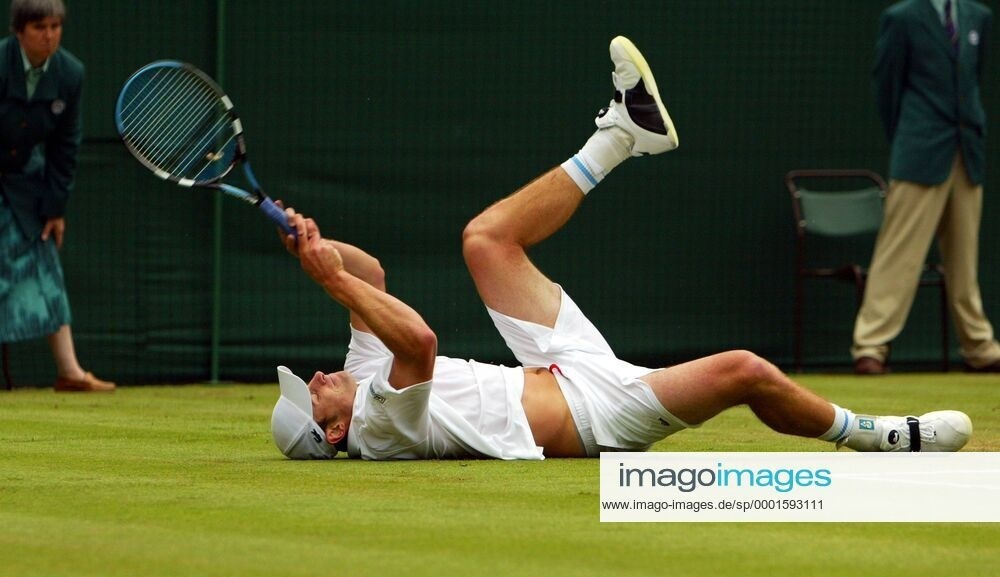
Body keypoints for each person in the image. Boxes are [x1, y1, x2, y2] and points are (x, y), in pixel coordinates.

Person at [271, 36, 972, 460]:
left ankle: (623, 134)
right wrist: (333, 282)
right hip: (594, 415)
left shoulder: (359, 377)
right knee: (745, 371)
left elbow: (370, 275)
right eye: (312, 395)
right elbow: (419, 341)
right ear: (332, 433)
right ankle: (876, 434)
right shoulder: (379, 428)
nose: (317, 378)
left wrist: (314, 247)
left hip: (554, 361)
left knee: (485, 240)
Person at [852, 0, 1000, 375]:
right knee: (899, 252)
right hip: (920, 150)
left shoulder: (978, 16)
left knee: (964, 255)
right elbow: (886, 85)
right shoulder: (901, 18)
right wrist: (910, 135)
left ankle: (979, 346)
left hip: (967, 149)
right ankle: (870, 346)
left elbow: (971, 79)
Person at [0, 0, 114, 391]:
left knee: (46, 265)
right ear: (19, 31)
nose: (49, 36)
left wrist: (54, 208)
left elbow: (65, 145)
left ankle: (70, 372)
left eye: (55, 26)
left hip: (25, 182)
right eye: (39, 27)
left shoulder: (70, 72)